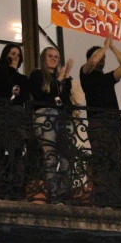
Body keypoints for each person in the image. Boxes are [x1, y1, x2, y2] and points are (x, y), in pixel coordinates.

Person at [80, 34, 121, 204]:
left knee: (116, 159)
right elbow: (92, 63)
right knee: (101, 160)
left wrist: (112, 48)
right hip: (98, 121)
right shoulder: (85, 74)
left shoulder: (107, 78)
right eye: (100, 55)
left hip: (114, 121)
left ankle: (114, 199)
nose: (102, 59)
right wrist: (103, 48)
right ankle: (102, 199)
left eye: (104, 57)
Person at [29, 47, 75, 201]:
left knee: (67, 157)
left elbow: (66, 101)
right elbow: (41, 96)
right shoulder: (37, 74)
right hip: (45, 115)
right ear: (43, 58)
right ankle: (53, 195)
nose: (54, 58)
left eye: (56, 56)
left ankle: (63, 193)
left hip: (63, 117)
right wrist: (59, 80)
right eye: (50, 56)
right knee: (51, 157)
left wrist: (66, 79)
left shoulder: (61, 78)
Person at [0, 44, 30, 197]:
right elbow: (2, 88)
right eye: (12, 53)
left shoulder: (22, 78)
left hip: (17, 114)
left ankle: (17, 188)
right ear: (6, 55)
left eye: (18, 55)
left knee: (17, 151)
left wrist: (14, 72)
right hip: (0, 112)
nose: (15, 57)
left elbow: (24, 96)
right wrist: (11, 70)